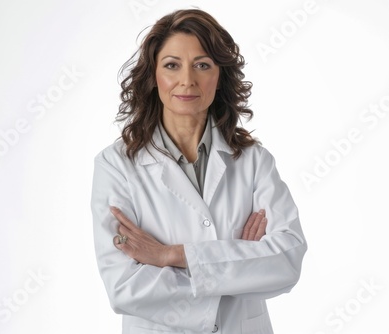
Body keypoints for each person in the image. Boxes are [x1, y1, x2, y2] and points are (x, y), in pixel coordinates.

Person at [91, 8, 307, 334]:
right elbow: (125, 288)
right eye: (172, 65)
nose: (187, 80)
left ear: (220, 76)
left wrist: (168, 255)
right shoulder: (116, 165)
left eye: (202, 65)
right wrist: (242, 263)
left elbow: (286, 261)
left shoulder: (254, 161)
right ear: (153, 76)